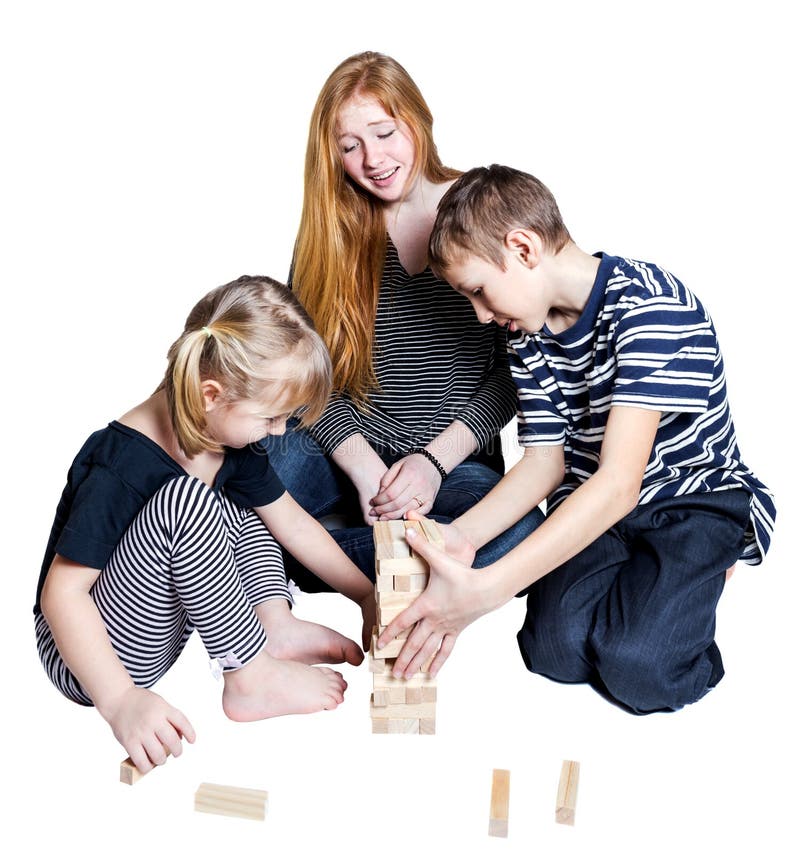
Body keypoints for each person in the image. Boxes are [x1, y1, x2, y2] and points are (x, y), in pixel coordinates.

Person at [379, 165, 777, 715]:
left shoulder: (651, 308)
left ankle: (704, 569)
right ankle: (654, 588)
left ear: (523, 249)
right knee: (552, 651)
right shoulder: (528, 333)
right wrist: (461, 538)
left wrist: (488, 589)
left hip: (689, 500)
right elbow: (545, 463)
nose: (482, 315)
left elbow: (619, 484)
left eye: (480, 292)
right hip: (596, 501)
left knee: (639, 668)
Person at [35, 275, 376, 775]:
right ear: (211, 394)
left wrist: (366, 594)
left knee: (247, 499)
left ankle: (273, 626)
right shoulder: (120, 464)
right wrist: (121, 701)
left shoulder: (222, 434)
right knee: (189, 500)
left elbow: (294, 523)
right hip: (87, 655)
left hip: (155, 630)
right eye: (271, 417)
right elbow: (62, 596)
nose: (279, 431)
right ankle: (249, 676)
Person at [264, 52, 543, 588]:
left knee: (523, 534)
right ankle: (388, 554)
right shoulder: (328, 236)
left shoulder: (485, 209)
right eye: (350, 146)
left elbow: (516, 373)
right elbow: (310, 374)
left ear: (417, 120)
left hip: (454, 460)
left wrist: (432, 465)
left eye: (385, 133)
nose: (373, 159)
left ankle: (312, 556)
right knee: (238, 483)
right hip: (341, 445)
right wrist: (361, 465)